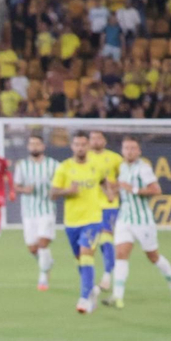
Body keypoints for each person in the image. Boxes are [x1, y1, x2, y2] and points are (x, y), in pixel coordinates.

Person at [112, 137, 171, 309]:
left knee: (153, 256)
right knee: (121, 254)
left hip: (142, 220)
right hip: (124, 218)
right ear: (122, 150)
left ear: (139, 151)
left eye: (133, 148)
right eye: (126, 148)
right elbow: (120, 192)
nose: (129, 151)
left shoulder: (143, 169)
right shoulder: (121, 168)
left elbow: (156, 190)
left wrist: (133, 189)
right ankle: (117, 296)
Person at [50, 130, 106, 314]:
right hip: (72, 222)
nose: (81, 148)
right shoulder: (64, 167)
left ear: (88, 146)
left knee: (86, 254)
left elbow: (104, 182)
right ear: (72, 146)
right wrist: (68, 191)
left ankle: (84, 298)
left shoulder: (97, 166)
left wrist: (111, 193)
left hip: (93, 219)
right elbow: (52, 194)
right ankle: (91, 293)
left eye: (84, 144)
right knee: (79, 259)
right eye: (77, 144)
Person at [12, 134, 58, 291]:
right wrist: (24, 189)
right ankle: (46, 262)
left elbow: (60, 184)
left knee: (43, 243)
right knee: (32, 248)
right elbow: (16, 186)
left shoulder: (53, 165)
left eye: (37, 143)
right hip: (29, 211)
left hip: (46, 209)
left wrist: (55, 191)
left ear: (43, 146)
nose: (34, 146)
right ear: (28, 147)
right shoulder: (22, 165)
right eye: (31, 144)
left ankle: (43, 276)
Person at [86, 129, 123, 292]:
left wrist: (113, 190)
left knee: (106, 239)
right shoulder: (84, 159)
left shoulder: (115, 158)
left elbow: (125, 179)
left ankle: (107, 276)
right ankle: (103, 272)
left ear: (104, 141)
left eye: (98, 138)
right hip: (90, 206)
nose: (95, 141)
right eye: (92, 138)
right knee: (96, 242)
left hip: (109, 206)